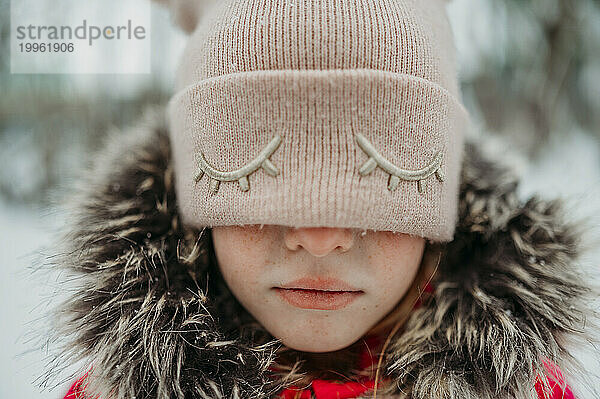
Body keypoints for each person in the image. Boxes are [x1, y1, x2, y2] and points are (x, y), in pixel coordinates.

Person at [50, 0, 594, 398]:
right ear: (198, 195)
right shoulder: (115, 390)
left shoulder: (523, 390)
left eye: (379, 175)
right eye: (260, 170)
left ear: (437, 205)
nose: (319, 235)